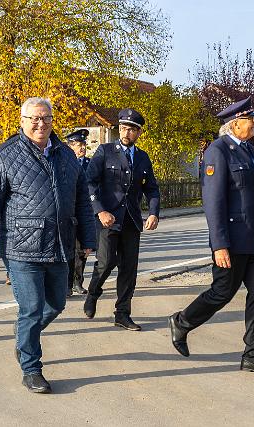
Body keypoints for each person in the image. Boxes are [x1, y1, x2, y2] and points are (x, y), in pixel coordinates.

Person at [0, 97, 96, 394]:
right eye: (34, 119)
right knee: (30, 308)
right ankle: (31, 368)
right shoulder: (5, 156)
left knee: (56, 305)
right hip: (20, 247)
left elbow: (82, 200)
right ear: (23, 121)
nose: (41, 124)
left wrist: (89, 239)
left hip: (58, 244)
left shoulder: (66, 156)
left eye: (46, 118)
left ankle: (23, 337)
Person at [168, 96, 254, 377]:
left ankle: (253, 355)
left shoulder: (250, 151)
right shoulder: (218, 152)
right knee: (222, 293)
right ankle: (182, 322)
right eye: (251, 119)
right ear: (235, 124)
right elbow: (214, 202)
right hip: (231, 241)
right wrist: (219, 244)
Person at [83, 109, 160, 331]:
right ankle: (93, 293)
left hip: (131, 221)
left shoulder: (143, 157)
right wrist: (100, 210)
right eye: (124, 128)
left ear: (139, 132)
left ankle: (122, 313)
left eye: (132, 129)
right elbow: (90, 183)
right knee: (106, 262)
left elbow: (152, 189)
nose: (127, 132)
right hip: (108, 218)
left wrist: (153, 212)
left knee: (129, 269)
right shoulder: (105, 151)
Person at [65, 128, 91, 297]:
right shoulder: (65, 164)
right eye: (79, 144)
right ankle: (66, 285)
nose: (82, 148)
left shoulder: (91, 164)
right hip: (69, 213)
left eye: (84, 144)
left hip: (85, 212)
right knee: (69, 250)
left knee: (82, 250)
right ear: (71, 146)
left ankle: (77, 283)